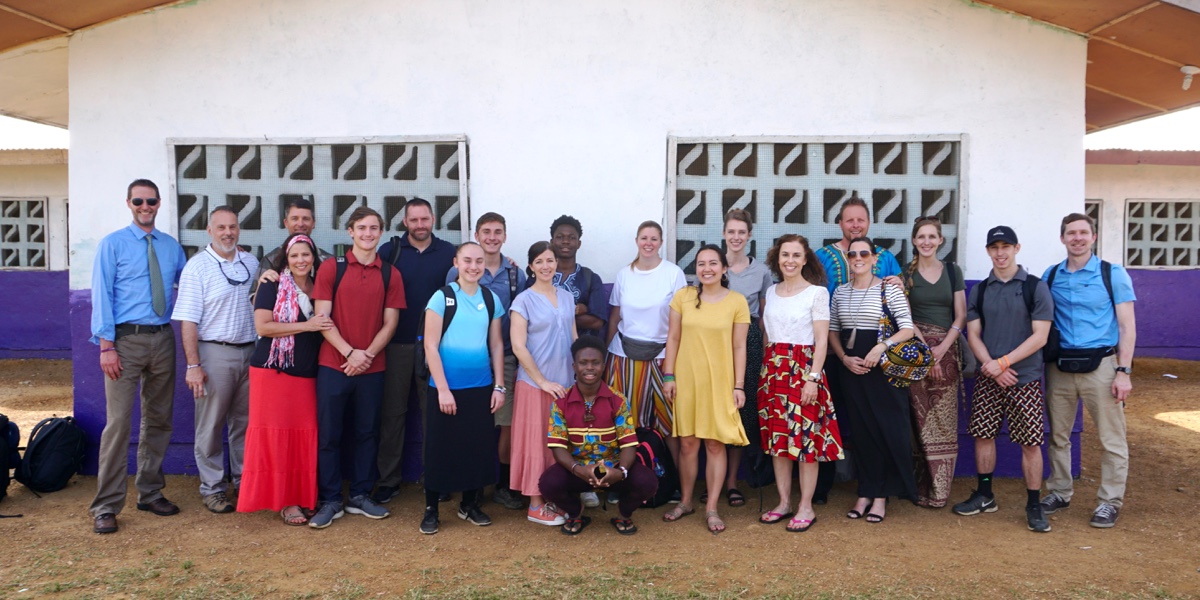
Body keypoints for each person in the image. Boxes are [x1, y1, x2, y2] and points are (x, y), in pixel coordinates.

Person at [89, 178, 188, 534]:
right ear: (129, 203)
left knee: (159, 419)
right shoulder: (112, 245)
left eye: (151, 201)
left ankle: (149, 492)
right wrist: (106, 346)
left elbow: (189, 287)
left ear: (159, 204)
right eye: (138, 201)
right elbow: (101, 293)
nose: (145, 207)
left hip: (162, 338)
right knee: (118, 425)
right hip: (123, 341)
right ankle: (106, 505)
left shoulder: (171, 247)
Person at [953, 225, 1054, 533]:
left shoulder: (1035, 287)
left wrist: (1004, 363)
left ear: (1016, 248)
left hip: (1024, 378)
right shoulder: (981, 290)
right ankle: (985, 494)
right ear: (988, 251)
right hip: (989, 377)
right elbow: (974, 335)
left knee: (1030, 442)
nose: (1000, 252)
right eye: (994, 247)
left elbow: (1040, 337)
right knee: (983, 435)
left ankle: (1034, 503)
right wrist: (991, 366)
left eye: (1005, 246)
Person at [309, 207, 405, 529]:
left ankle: (361, 495)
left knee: (367, 434)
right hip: (332, 365)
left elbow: (390, 323)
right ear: (350, 231)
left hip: (373, 368)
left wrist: (366, 356)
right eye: (361, 227)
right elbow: (322, 319)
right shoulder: (329, 269)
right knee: (329, 435)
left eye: (374, 228)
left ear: (380, 232)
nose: (368, 233)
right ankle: (331, 499)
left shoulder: (391, 274)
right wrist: (350, 353)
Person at [1040, 213, 1136, 529]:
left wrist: (1123, 370)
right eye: (1071, 233)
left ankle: (1109, 502)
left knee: (1112, 438)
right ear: (1062, 238)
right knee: (1058, 436)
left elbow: (1127, 325)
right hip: (1061, 367)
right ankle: (1059, 491)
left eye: (1083, 232)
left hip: (1104, 367)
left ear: (1093, 237)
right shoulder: (1051, 276)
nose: (1077, 238)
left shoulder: (1113, 274)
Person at [236, 234, 334, 525]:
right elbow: (263, 327)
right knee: (278, 439)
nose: (301, 261)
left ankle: (305, 497)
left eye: (306, 255)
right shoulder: (272, 283)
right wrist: (308, 325)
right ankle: (287, 502)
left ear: (313, 258)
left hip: (307, 372)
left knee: (304, 437)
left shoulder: (320, 287)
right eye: (294, 256)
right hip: (273, 371)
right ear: (285, 260)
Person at [813, 196, 902, 504]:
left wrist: (899, 282)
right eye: (849, 220)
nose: (855, 224)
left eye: (860, 220)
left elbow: (900, 291)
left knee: (874, 419)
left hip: (877, 353)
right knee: (827, 413)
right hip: (829, 347)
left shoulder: (885, 257)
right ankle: (822, 485)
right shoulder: (822, 256)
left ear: (868, 223)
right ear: (840, 224)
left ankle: (879, 488)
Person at [172, 205, 259, 514]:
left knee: (244, 424)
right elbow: (188, 322)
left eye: (233, 227)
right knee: (210, 425)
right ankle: (212, 489)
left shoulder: (251, 262)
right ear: (209, 231)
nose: (228, 233)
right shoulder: (197, 267)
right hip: (214, 353)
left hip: (250, 353)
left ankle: (244, 481)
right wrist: (193, 366)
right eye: (221, 227)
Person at [661, 245, 750, 535]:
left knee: (715, 443)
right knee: (687, 443)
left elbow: (740, 347)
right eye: (701, 263)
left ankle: (711, 507)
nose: (707, 268)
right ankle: (685, 501)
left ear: (724, 269)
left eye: (713, 263)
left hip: (721, 381)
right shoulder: (683, 297)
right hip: (686, 380)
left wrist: (738, 385)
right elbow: (672, 338)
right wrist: (669, 376)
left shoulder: (737, 301)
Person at [828, 236, 917, 523]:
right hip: (853, 370)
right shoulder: (841, 292)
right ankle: (865, 491)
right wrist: (843, 358)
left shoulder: (889, 290)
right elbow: (832, 330)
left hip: (884, 372)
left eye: (863, 253)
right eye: (852, 254)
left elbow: (908, 329)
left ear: (875, 258)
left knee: (887, 431)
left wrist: (881, 347)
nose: (858, 258)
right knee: (862, 433)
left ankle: (881, 497)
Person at [372, 198, 455, 505]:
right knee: (392, 414)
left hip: (436, 348)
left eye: (425, 219)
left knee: (432, 414)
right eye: (414, 220)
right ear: (404, 222)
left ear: (433, 219)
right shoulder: (389, 252)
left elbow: (475, 272)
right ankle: (389, 480)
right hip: (395, 345)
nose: (420, 225)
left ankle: (436, 477)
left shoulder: (449, 253)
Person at [757, 234, 842, 532]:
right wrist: (766, 373)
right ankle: (783, 502)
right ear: (777, 259)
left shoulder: (817, 293)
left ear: (805, 259)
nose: (790, 260)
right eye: (785, 255)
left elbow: (821, 341)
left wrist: (813, 379)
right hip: (774, 373)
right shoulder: (771, 291)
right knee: (779, 443)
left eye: (796, 255)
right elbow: (768, 335)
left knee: (807, 444)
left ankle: (806, 506)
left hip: (804, 372)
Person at [419, 242, 506, 535]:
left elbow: (495, 344)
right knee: (439, 447)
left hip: (480, 387)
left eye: (479, 261)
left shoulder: (491, 299)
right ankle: (431, 508)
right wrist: (443, 389)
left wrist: (499, 385)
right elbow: (430, 345)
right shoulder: (441, 298)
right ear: (456, 262)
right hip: (445, 387)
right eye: (467, 260)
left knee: (477, 448)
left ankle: (470, 504)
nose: (473, 266)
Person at [446, 213, 527, 510]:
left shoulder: (516, 274)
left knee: (504, 423)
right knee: (474, 423)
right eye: (486, 231)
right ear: (477, 235)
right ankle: (473, 484)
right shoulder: (456, 272)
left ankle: (503, 484)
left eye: (498, 232)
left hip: (504, 357)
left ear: (505, 236)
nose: (492, 237)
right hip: (467, 359)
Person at [540, 336, 659, 535]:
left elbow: (629, 443)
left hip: (613, 470)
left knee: (648, 482)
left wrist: (620, 472)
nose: (589, 368)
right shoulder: (561, 404)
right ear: (574, 366)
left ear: (603, 366)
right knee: (548, 483)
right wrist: (579, 470)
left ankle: (624, 514)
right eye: (583, 362)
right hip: (578, 470)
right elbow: (558, 447)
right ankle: (575, 512)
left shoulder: (618, 400)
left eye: (595, 362)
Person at [605, 221, 687, 469]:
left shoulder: (674, 274)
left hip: (664, 356)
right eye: (644, 238)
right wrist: (607, 353)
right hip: (624, 357)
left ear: (661, 242)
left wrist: (675, 362)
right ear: (637, 241)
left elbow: (680, 322)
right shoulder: (624, 275)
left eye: (654, 238)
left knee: (670, 423)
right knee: (624, 421)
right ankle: (621, 477)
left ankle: (673, 479)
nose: (648, 243)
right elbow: (615, 316)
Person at [900, 216, 966, 508]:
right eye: (921, 237)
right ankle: (919, 487)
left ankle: (939, 491)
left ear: (940, 240)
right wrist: (927, 352)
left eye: (932, 237)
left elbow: (960, 314)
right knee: (919, 420)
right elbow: (905, 317)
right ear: (914, 241)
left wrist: (942, 350)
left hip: (948, 352)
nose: (926, 242)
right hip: (916, 352)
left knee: (943, 420)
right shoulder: (905, 274)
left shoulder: (952, 271)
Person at [509, 241, 577, 526]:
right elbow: (518, 346)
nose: (546, 266)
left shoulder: (567, 296)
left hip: (565, 383)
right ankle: (535, 504)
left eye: (550, 260)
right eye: (539, 262)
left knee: (559, 443)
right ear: (531, 267)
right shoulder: (522, 301)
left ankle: (552, 496)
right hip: (535, 385)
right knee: (536, 443)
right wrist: (542, 381)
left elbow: (574, 338)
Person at [719, 208, 772, 509]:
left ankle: (732, 482)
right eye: (731, 232)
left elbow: (764, 317)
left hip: (749, 342)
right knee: (717, 408)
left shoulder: (761, 271)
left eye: (742, 232)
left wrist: (764, 353)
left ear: (749, 235)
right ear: (724, 234)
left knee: (741, 411)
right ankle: (715, 478)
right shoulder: (715, 264)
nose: (736, 237)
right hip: (716, 340)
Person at [249, 198, 332, 301]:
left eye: (306, 218)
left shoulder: (328, 261)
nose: (300, 224)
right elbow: (255, 301)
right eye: (295, 218)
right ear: (286, 223)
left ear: (313, 223)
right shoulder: (271, 260)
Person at [547, 215, 608, 338]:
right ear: (552, 242)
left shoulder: (591, 278)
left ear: (579, 244)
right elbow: (530, 316)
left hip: (580, 353)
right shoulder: (540, 275)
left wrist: (552, 316)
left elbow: (597, 322)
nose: (565, 241)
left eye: (572, 237)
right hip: (543, 351)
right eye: (560, 237)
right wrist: (574, 311)